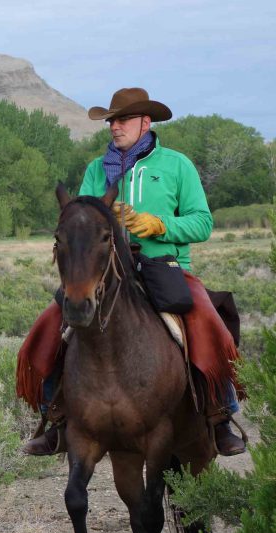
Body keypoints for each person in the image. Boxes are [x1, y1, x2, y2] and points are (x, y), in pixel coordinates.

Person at [19, 87, 245, 457]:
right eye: (111, 120)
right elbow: (82, 223)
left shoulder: (176, 165)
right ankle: (54, 417)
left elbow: (203, 223)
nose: (114, 126)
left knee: (206, 319)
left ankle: (221, 416)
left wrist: (155, 225)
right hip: (106, 273)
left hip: (165, 265)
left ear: (145, 122)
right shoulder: (96, 169)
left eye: (122, 119)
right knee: (52, 324)